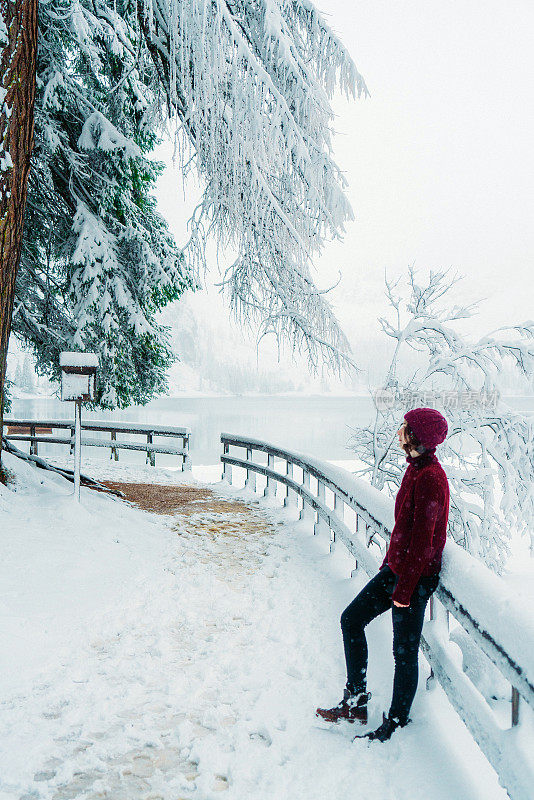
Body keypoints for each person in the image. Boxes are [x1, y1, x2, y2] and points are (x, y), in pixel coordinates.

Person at [316, 407, 450, 742]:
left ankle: (396, 722)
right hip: (399, 569)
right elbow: (407, 529)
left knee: (403, 653)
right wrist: (392, 565)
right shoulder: (416, 470)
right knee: (351, 620)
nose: (400, 432)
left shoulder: (431, 478)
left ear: (419, 437)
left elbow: (423, 542)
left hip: (414, 579)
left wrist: (404, 591)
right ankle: (356, 701)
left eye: (406, 428)